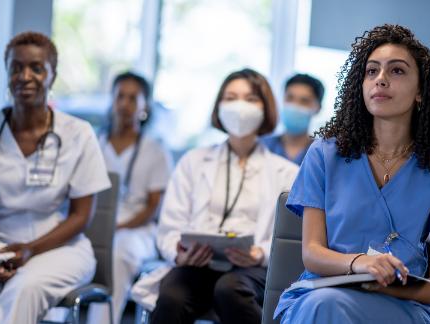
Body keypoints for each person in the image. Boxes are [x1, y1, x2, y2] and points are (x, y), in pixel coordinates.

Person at [274, 24, 430, 323]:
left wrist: (381, 285)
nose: (380, 80)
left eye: (396, 71)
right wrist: (361, 264)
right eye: (372, 71)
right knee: (323, 305)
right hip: (320, 294)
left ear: (420, 91)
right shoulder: (324, 155)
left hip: (401, 305)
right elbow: (312, 254)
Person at [131, 68, 298, 324]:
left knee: (230, 289)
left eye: (250, 98)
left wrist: (258, 253)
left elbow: (289, 242)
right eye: (231, 98)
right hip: (198, 265)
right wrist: (180, 253)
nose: (239, 106)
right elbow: (169, 227)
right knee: (172, 296)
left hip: (253, 270)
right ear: (219, 106)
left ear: (266, 108)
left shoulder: (287, 173)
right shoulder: (193, 162)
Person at [0, 31, 110, 323]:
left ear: (52, 75)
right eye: (16, 67)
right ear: (7, 73)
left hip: (58, 247)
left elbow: (82, 215)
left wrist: (30, 250)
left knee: (23, 289)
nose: (25, 76)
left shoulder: (78, 133)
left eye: (36, 68)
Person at [86, 72, 173, 324]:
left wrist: (119, 226)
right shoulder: (94, 143)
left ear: (145, 106)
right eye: (120, 96)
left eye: (133, 98)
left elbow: (153, 206)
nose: (125, 104)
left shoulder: (155, 150)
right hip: (91, 226)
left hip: (138, 230)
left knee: (119, 253)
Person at [260, 74, 324, 164]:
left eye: (304, 101)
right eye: (290, 98)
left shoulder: (322, 153)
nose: (295, 106)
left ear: (318, 108)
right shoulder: (262, 146)